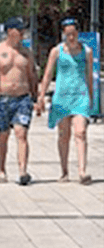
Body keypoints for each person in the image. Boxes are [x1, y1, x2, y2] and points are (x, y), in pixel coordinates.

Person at [36, 18, 94, 184]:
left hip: (80, 96)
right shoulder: (57, 51)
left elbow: (89, 75)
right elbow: (47, 75)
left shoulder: (87, 51)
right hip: (62, 97)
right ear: (63, 34)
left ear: (78, 33)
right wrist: (41, 96)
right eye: (68, 34)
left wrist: (91, 96)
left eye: (73, 34)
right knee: (64, 135)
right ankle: (64, 171)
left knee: (80, 132)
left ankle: (82, 171)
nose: (71, 37)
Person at [0, 17, 38, 185]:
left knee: (21, 134)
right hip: (3, 99)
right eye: (19, 30)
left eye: (23, 30)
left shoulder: (26, 53)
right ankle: (1, 169)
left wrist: (36, 98)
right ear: (10, 31)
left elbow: (32, 76)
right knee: (3, 135)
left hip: (22, 99)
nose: (22, 33)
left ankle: (23, 171)